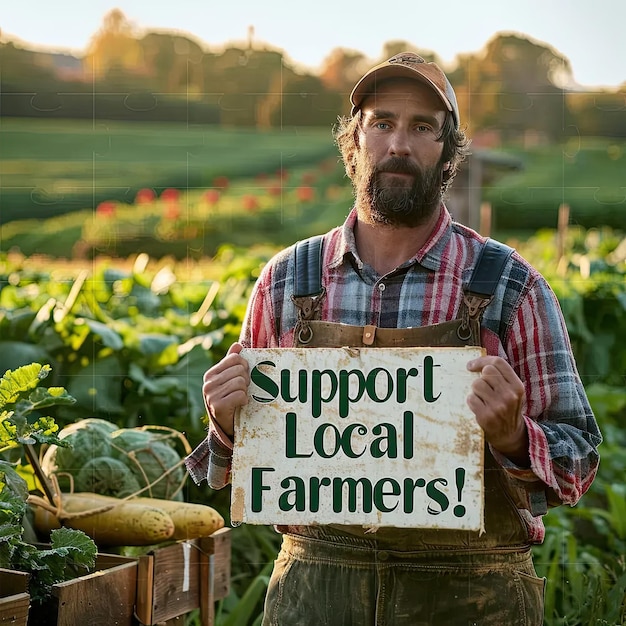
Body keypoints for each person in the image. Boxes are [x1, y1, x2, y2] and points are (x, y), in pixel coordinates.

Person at [185, 51, 602, 625]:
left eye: (422, 127)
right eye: (381, 123)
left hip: (472, 598)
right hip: (316, 591)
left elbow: (577, 456)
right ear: (354, 144)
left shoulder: (510, 284)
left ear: (449, 152)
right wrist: (229, 424)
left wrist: (514, 438)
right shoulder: (287, 281)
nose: (398, 144)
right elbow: (238, 462)